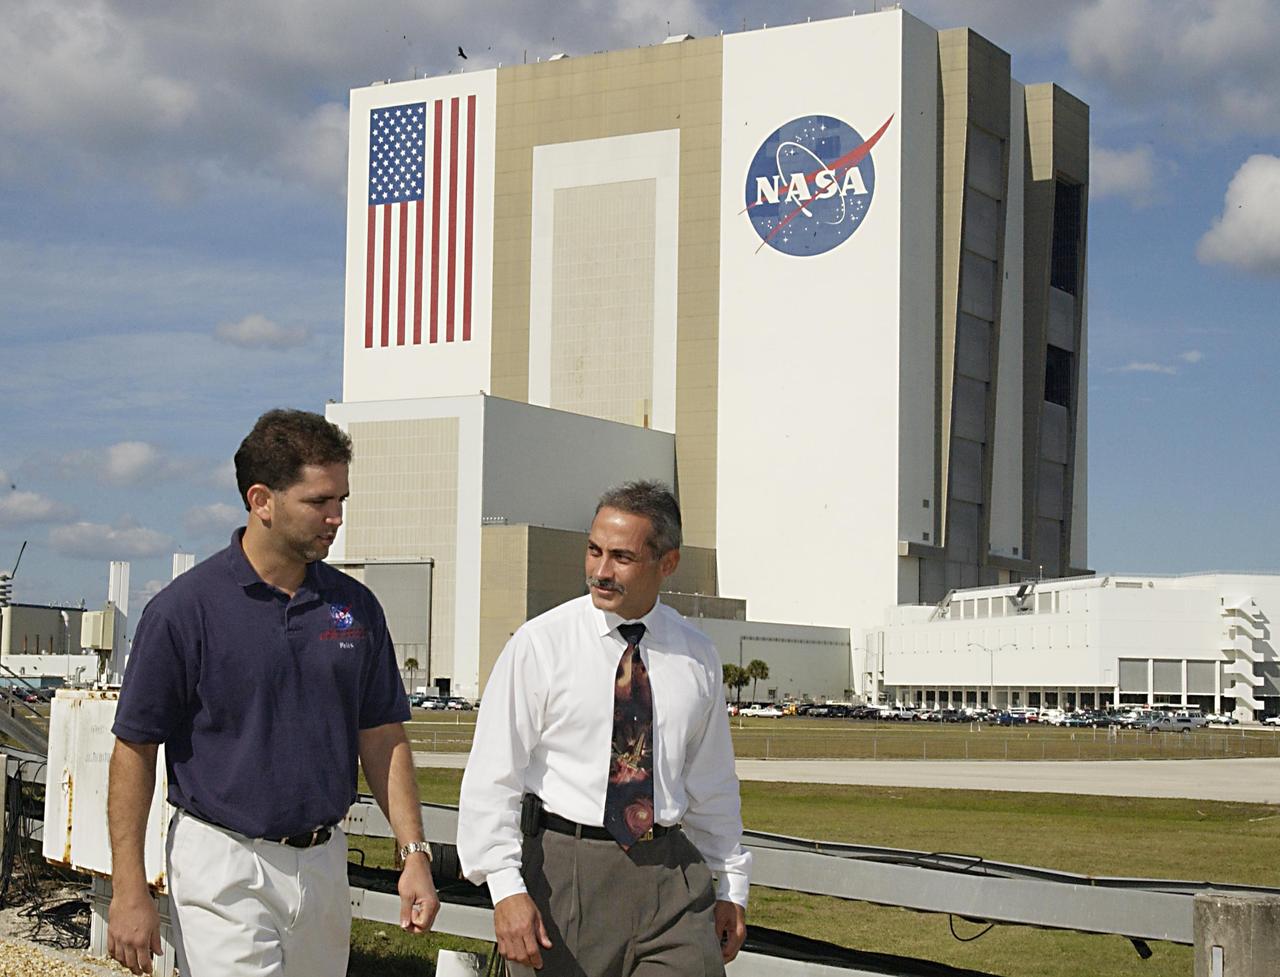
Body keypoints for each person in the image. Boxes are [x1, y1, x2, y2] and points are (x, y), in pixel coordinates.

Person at [106, 409, 440, 976]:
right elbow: (133, 750)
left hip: (324, 863)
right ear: (261, 500)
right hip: (223, 862)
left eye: (342, 501)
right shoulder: (184, 611)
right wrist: (129, 888)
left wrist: (413, 854)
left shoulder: (355, 608)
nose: (336, 518)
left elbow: (382, 734)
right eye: (319, 502)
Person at [458, 480, 750, 977]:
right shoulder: (540, 645)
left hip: (672, 880)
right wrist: (506, 889)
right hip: (566, 876)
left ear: (667, 564)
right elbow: (493, 777)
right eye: (594, 551)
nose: (600, 571)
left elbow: (713, 785)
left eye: (621, 557)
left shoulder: (696, 655)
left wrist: (730, 885)